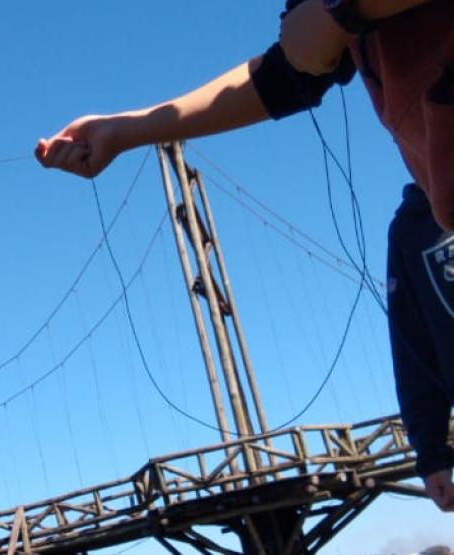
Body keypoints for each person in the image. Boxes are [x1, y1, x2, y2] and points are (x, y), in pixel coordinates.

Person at [35, 0, 454, 512]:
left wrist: (343, 11)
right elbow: (288, 70)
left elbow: (313, 42)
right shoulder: (414, 232)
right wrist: (126, 130)